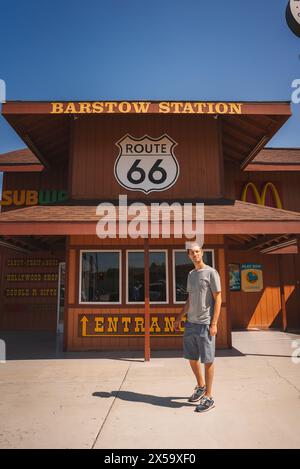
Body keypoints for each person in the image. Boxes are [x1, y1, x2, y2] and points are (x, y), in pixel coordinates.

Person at [174, 243, 222, 413]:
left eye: (197, 251)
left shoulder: (211, 272)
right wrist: (180, 317)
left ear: (201, 253)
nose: (195, 254)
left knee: (208, 360)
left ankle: (209, 397)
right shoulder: (191, 274)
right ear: (189, 256)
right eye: (191, 253)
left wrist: (214, 323)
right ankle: (201, 386)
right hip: (191, 324)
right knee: (192, 358)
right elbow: (190, 299)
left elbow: (218, 299)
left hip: (205, 324)